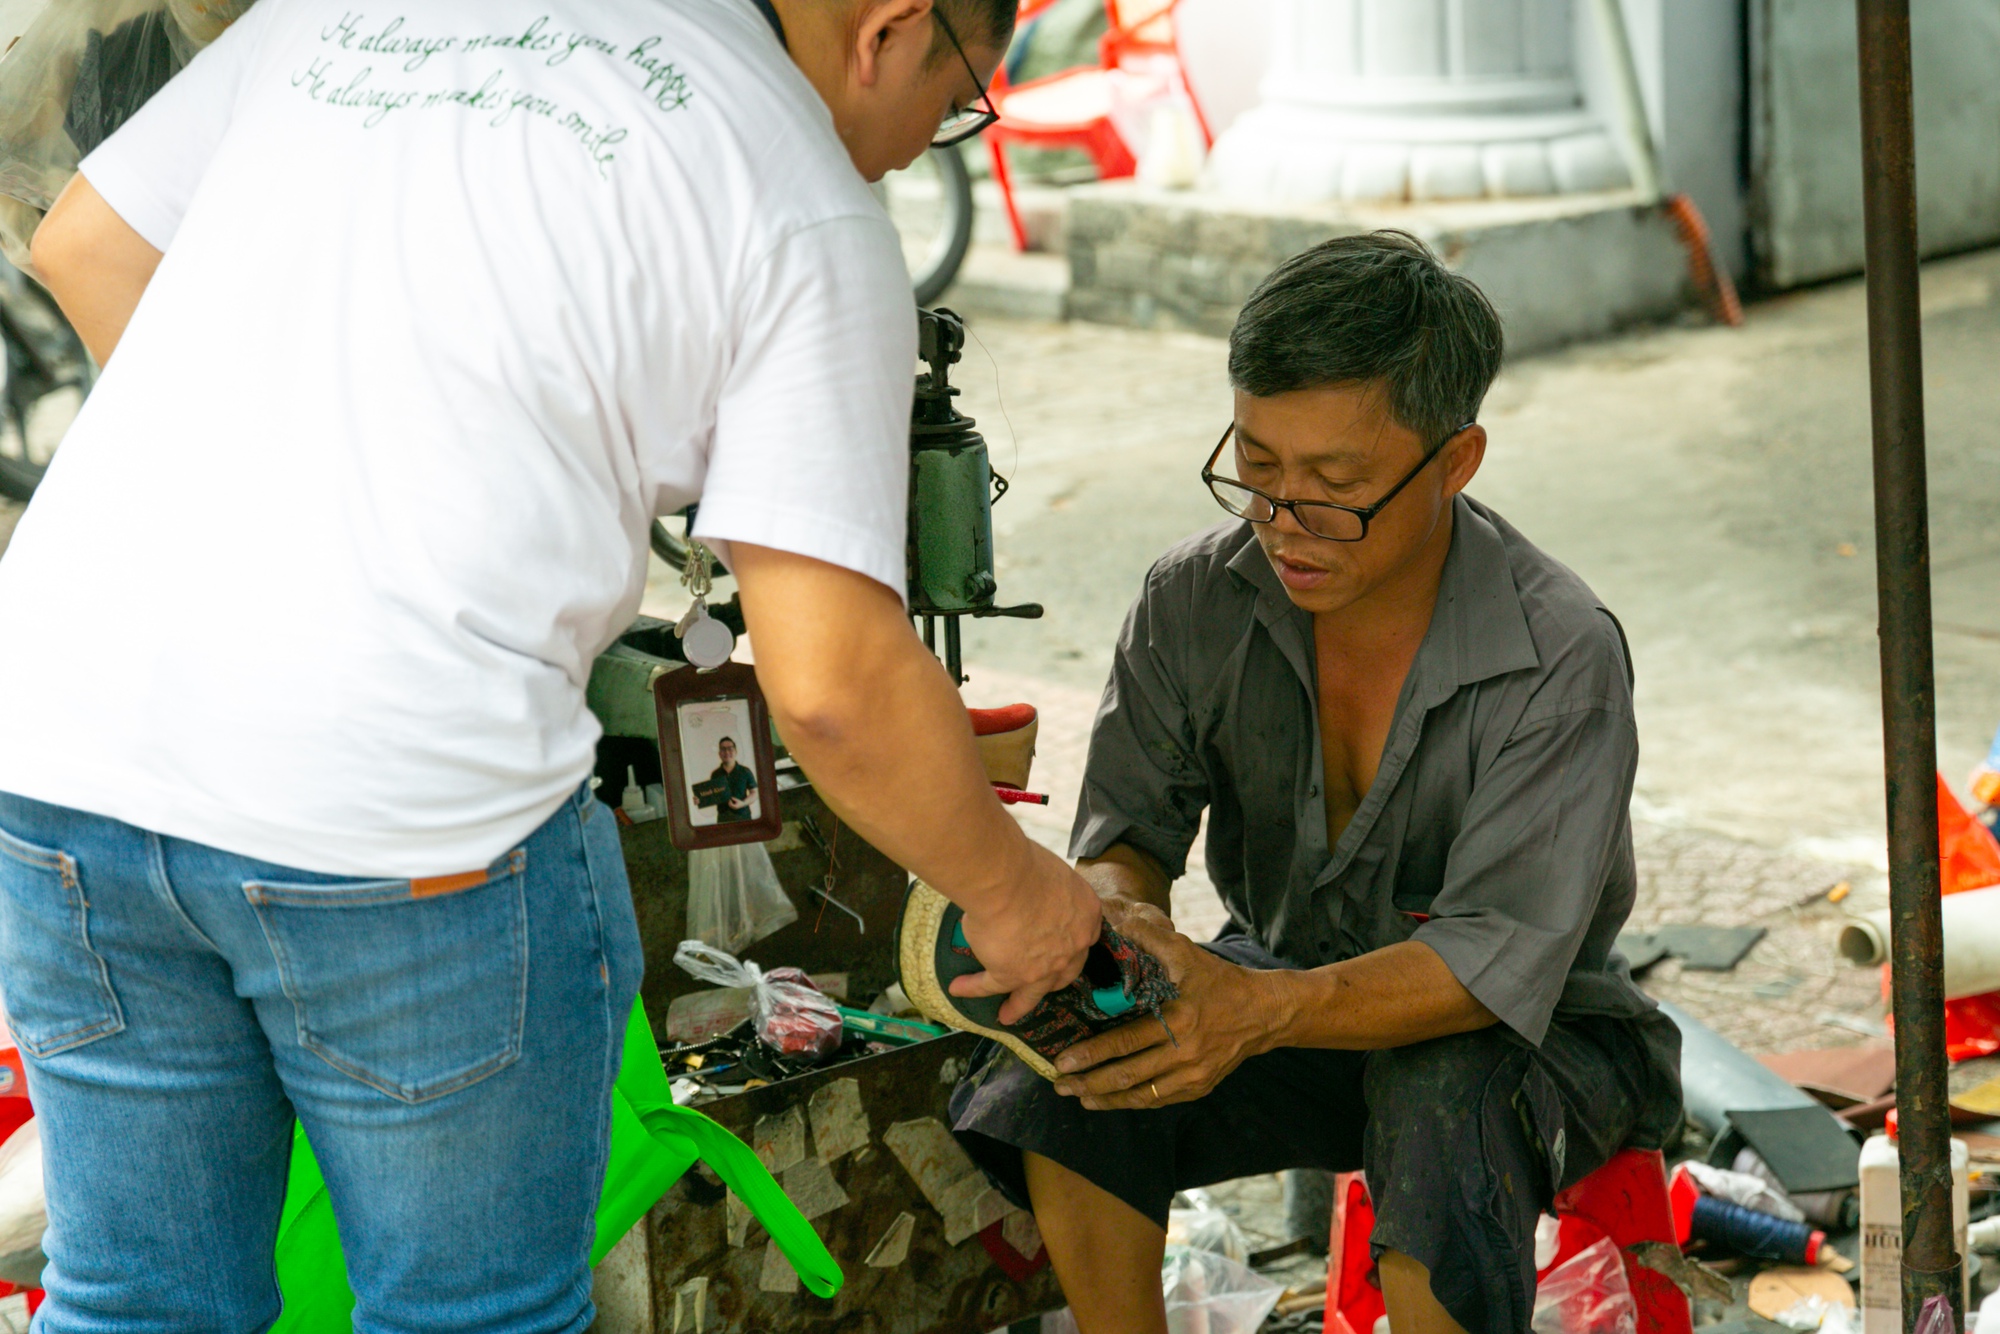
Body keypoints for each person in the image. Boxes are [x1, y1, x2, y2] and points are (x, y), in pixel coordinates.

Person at [0, 0, 1102, 1328]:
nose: (927, 139)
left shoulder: (371, 7)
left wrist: (298, 495)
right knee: (468, 1312)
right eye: (959, 92)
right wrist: (1016, 892)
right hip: (396, 811)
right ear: (890, 28)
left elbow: (85, 240)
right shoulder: (794, 186)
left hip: (62, 744)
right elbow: (834, 683)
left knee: (136, 1300)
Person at [950, 233, 1683, 1334]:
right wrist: (1115, 915)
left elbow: (1492, 961)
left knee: (1436, 1096)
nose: (1282, 519)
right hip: (1287, 990)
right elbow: (1126, 831)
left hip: (1542, 1037)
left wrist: (1254, 1008)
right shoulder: (1193, 599)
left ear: (1453, 461)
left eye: (1334, 484)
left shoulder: (1556, 651)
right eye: (1255, 465)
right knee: (1069, 1066)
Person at [710, 736, 758, 823]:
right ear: (719, 753)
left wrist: (743, 803)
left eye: (730, 748)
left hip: (743, 816)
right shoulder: (715, 774)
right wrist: (700, 799)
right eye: (723, 749)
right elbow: (712, 795)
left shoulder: (745, 771)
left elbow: (754, 792)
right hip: (723, 818)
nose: (727, 752)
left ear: (735, 752)